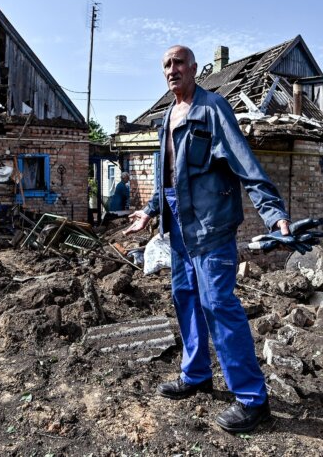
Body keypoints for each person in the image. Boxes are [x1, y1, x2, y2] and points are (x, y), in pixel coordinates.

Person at [124, 45, 299, 433]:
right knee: (185, 298)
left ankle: (253, 400)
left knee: (218, 304)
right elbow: (169, 175)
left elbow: (246, 164)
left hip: (211, 227)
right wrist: (151, 210)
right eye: (167, 64)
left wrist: (275, 214)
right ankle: (197, 374)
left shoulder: (212, 109)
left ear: (194, 68)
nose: (173, 69)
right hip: (178, 226)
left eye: (179, 63)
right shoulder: (167, 116)